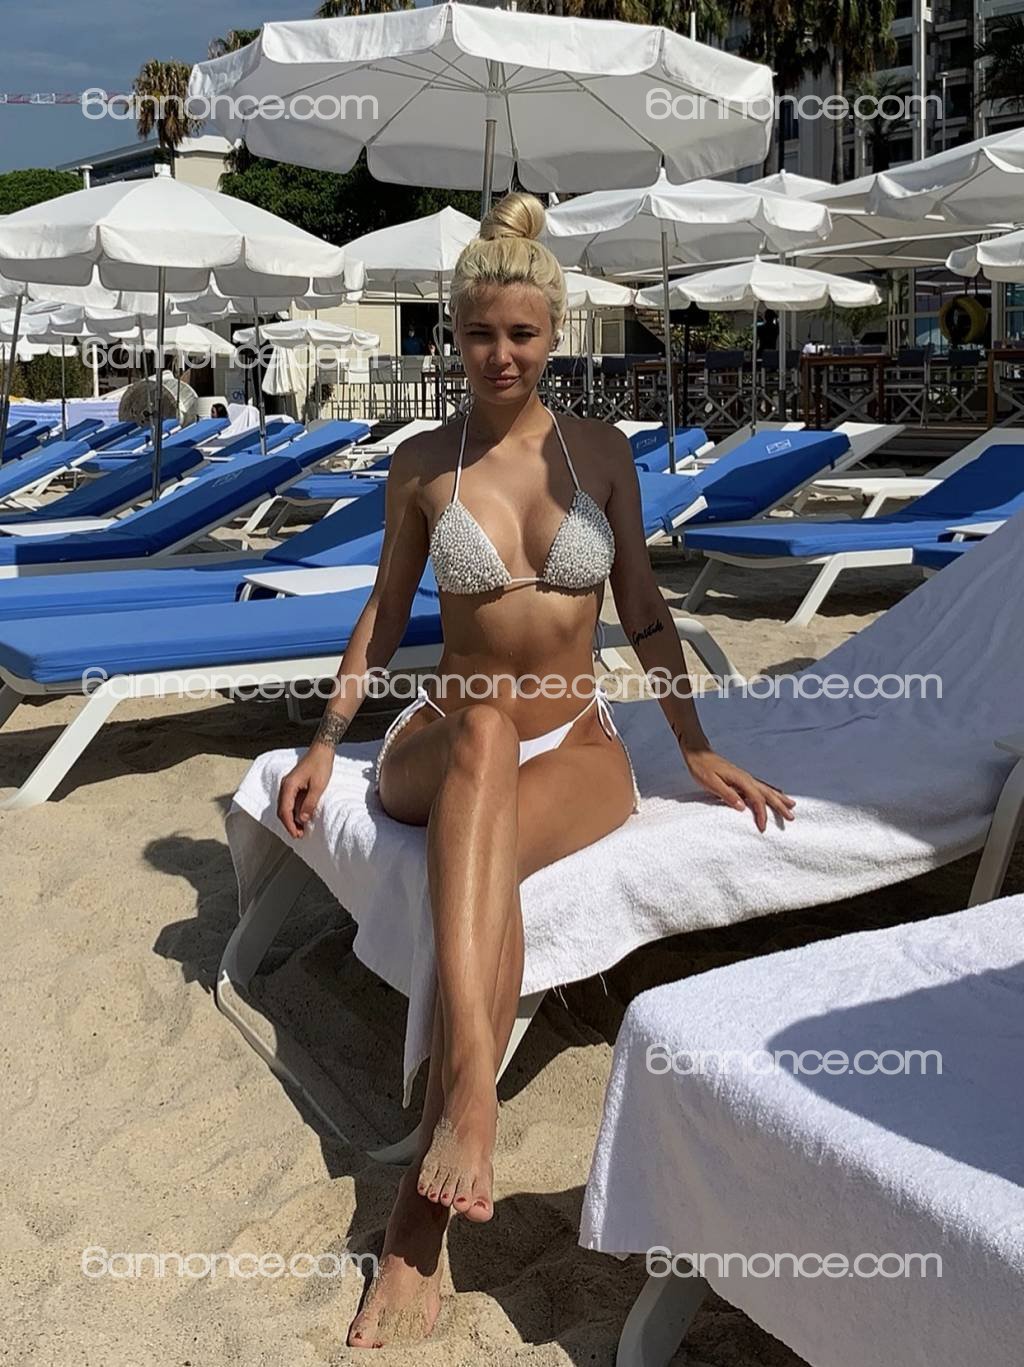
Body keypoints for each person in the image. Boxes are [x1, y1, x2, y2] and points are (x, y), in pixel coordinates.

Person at [276, 192, 795, 1349]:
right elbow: (381, 617)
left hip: (580, 742)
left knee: (488, 844)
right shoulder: (422, 463)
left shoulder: (600, 454)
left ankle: (436, 1167)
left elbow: (644, 610)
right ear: (451, 337)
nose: (499, 354)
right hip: (447, 734)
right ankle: (456, 1128)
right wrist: (322, 739)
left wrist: (695, 745)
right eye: (477, 334)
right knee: (483, 732)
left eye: (521, 333)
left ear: (556, 334)